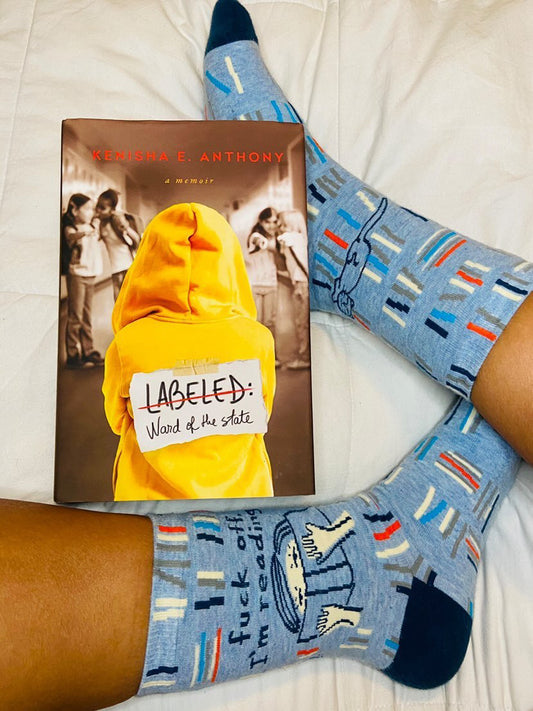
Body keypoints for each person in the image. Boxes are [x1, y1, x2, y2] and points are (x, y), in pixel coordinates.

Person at [2, 2, 533, 710]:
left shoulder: (127, 340)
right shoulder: (249, 336)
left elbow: (112, 409)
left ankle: (339, 236)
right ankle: (344, 237)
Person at [103, 202, 276, 500]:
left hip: (146, 496)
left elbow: (117, 421)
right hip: (243, 494)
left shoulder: (126, 343)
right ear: (229, 261)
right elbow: (262, 416)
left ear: (149, 259)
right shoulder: (258, 339)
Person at [61, 193, 104, 368]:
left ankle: (88, 351)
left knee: (86, 316)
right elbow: (72, 237)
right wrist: (88, 231)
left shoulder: (91, 226)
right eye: (86, 209)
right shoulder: (70, 228)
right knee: (75, 316)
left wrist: (94, 227)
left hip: (91, 275)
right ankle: (73, 355)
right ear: (75, 210)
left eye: (91, 209)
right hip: (77, 275)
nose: (90, 212)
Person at [277, 209, 311, 369]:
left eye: (283, 224)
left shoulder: (292, 238)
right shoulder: (301, 239)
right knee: (303, 322)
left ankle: (304, 357)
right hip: (301, 282)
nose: (280, 227)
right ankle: (305, 355)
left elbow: (281, 238)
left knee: (301, 323)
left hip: (301, 285)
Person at [246, 207, 282, 348]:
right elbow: (260, 241)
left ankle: (271, 354)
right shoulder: (255, 236)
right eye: (267, 222)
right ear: (261, 222)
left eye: (274, 222)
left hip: (271, 285)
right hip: (255, 286)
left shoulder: (276, 238)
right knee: (256, 322)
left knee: (270, 323)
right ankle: (255, 352)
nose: (271, 225)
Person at [95, 188, 141, 301]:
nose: (99, 210)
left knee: (128, 298)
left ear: (112, 210)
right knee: (118, 298)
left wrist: (124, 226)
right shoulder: (100, 223)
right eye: (98, 207)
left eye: (103, 208)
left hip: (128, 265)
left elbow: (136, 238)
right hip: (116, 267)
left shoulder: (116, 221)